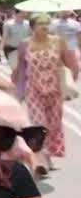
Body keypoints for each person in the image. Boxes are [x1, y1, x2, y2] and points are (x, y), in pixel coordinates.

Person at [13, 13, 81, 176]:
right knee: (38, 125)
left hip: (55, 89)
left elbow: (71, 64)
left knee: (53, 125)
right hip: (33, 89)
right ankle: (40, 160)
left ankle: (48, 156)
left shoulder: (58, 41)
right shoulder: (24, 44)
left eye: (47, 23)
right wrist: (18, 90)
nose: (45, 27)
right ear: (32, 27)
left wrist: (70, 84)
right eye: (40, 24)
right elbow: (21, 68)